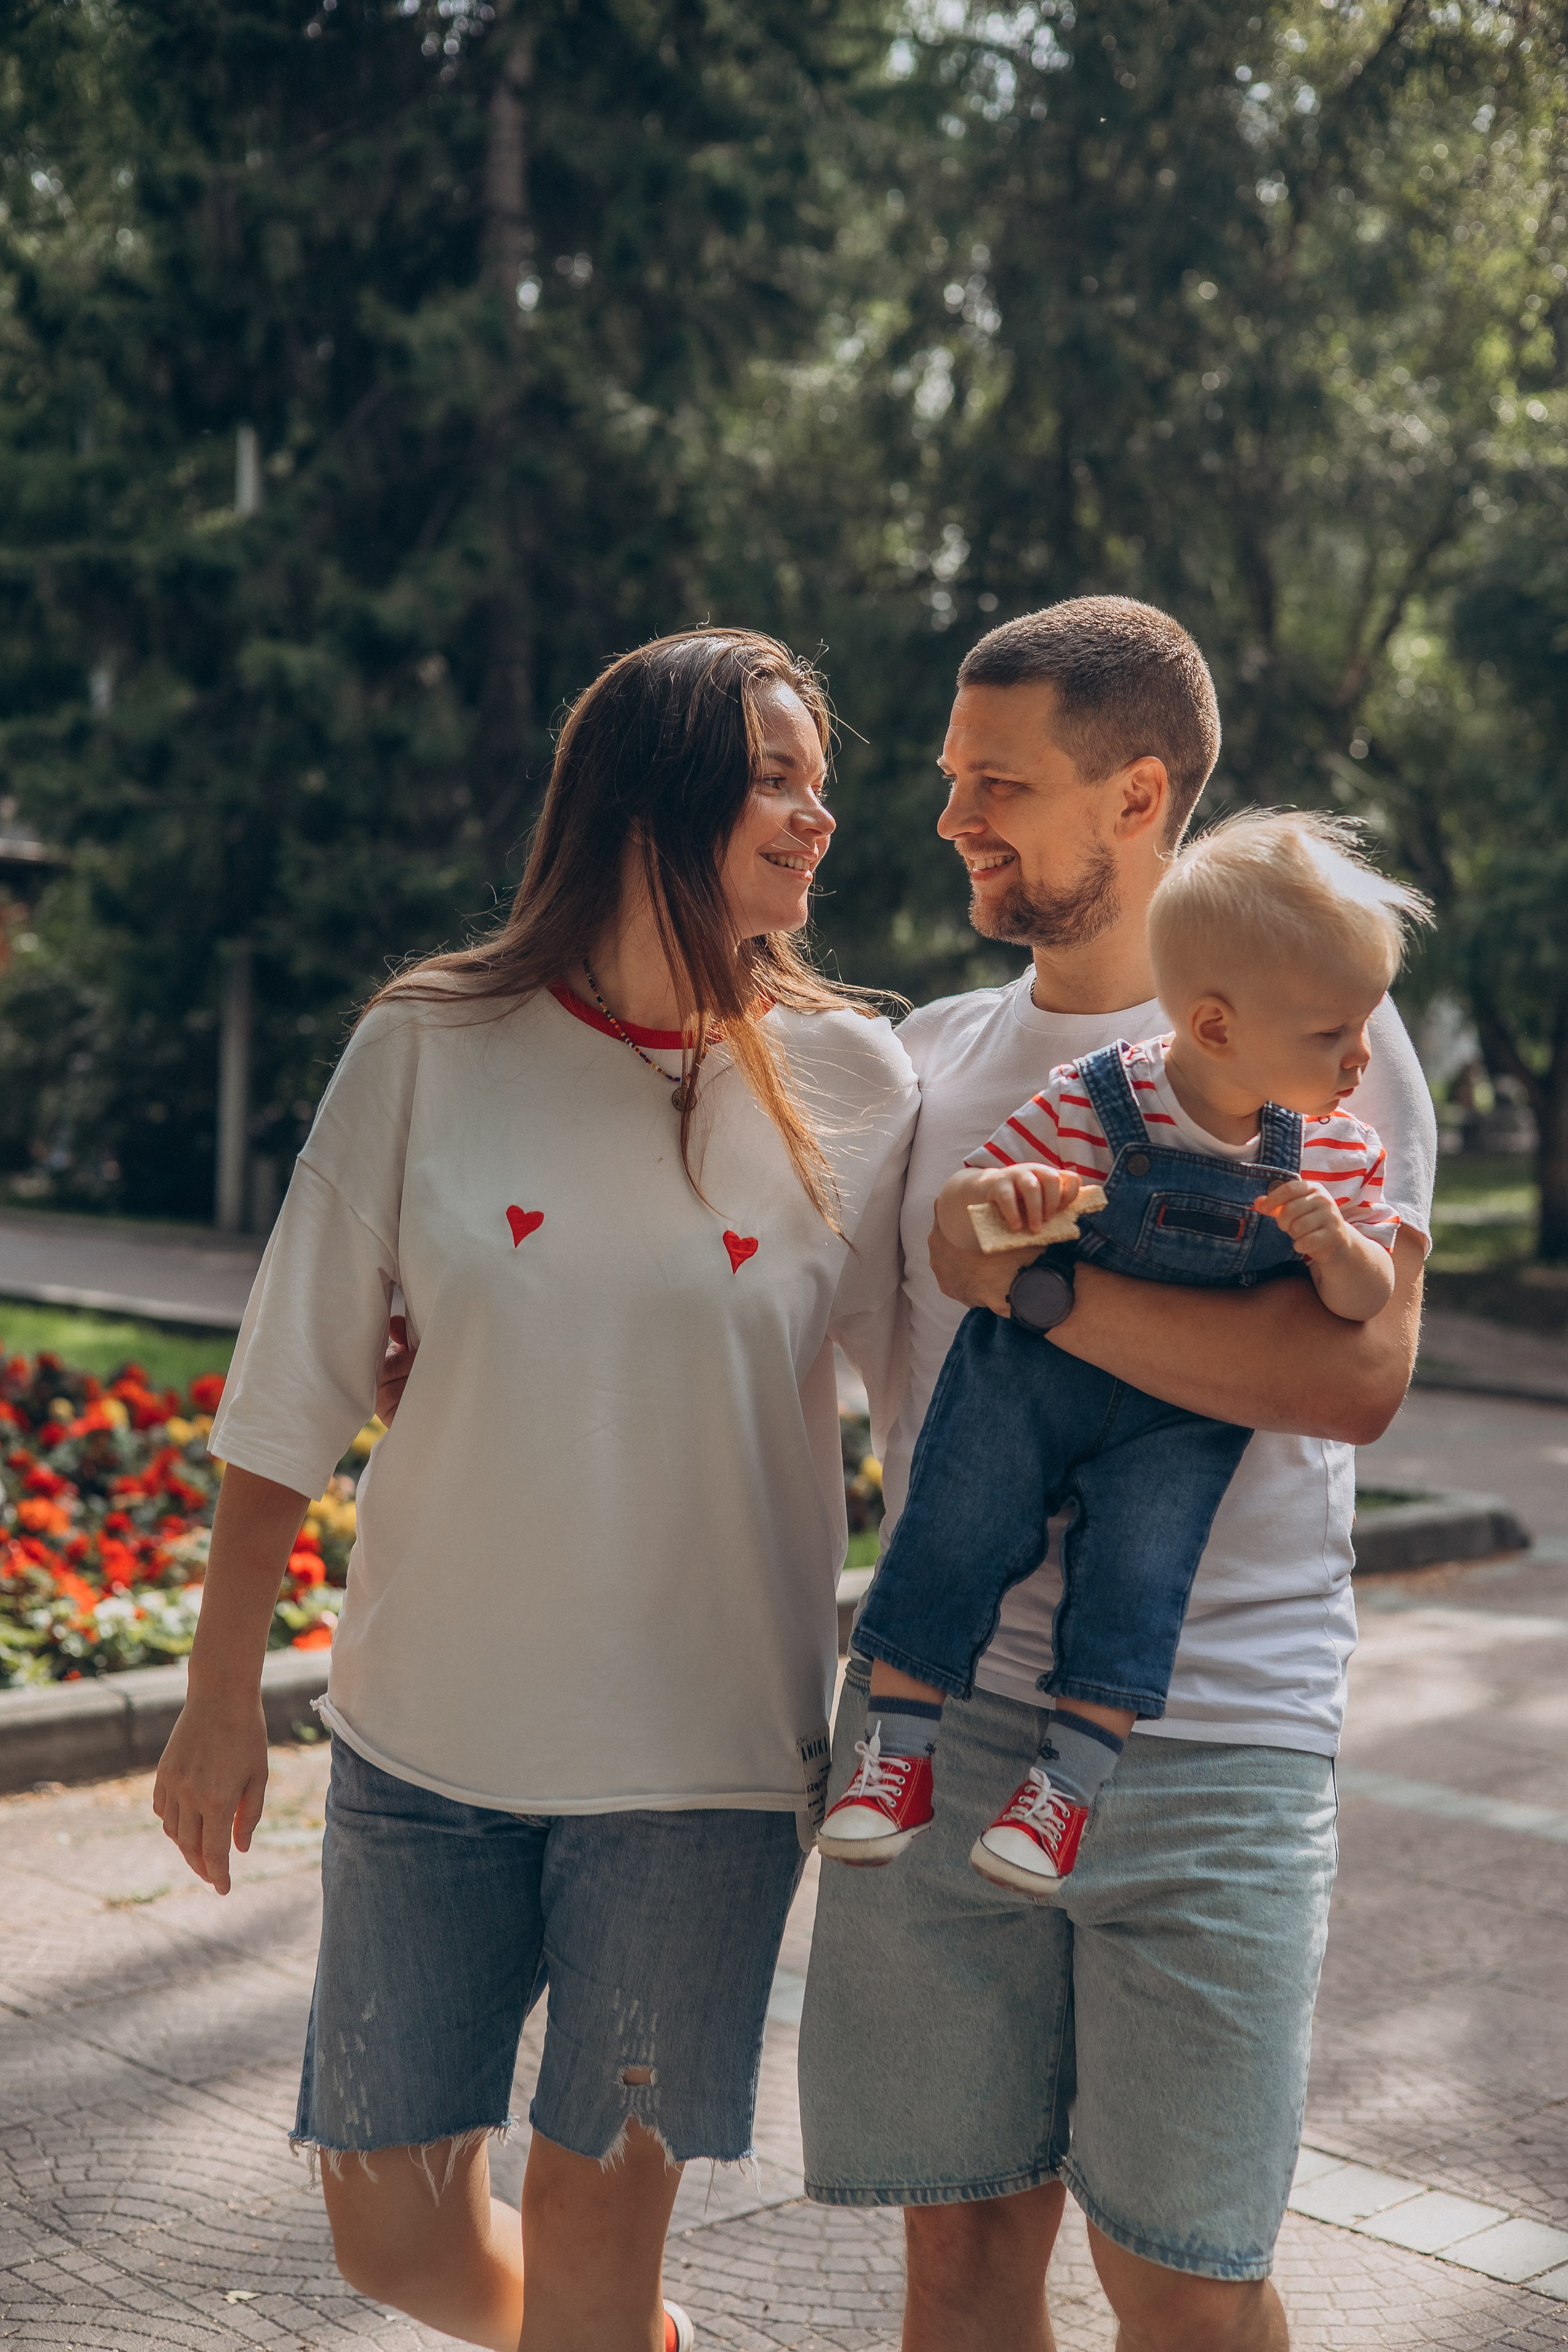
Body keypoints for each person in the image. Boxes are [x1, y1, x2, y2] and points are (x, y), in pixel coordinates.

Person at [151, 628, 918, 2352]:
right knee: (392, 2233)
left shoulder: (861, 1088)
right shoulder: (431, 1044)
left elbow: (930, 1405)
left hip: (705, 1767)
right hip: (427, 1743)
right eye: (780, 776)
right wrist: (216, 1703)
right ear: (653, 793)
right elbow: (291, 1380)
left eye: (823, 780)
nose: (820, 818)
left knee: (590, 2230)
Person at [799, 597, 1434, 2352]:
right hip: (939, 1729)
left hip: (1216, 1742)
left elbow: (1354, 1378)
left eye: (997, 782)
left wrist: (1044, 1293)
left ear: (1137, 794)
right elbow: (792, 1331)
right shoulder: (926, 1061)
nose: (951, 816)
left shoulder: (1324, 1034)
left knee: (1189, 2280)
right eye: (950, 776)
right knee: (963, 2256)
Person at [820, 810, 1423, 1891]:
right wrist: (1005, 1199)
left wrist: (1338, 1250)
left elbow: (1365, 1308)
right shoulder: (1100, 1098)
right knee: (956, 1517)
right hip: (1032, 1385)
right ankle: (895, 1755)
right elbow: (964, 1224)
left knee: (1143, 1574)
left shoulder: (1338, 1145)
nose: (1362, 1058)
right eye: (1335, 1034)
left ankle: (1068, 1784)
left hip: (1178, 1420)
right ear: (1218, 1027)